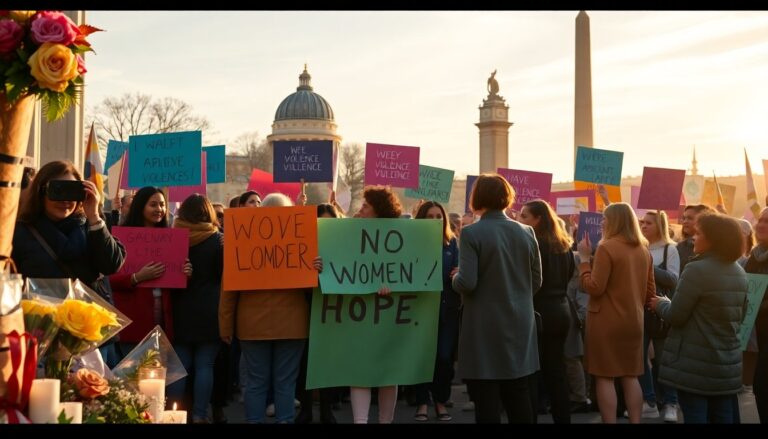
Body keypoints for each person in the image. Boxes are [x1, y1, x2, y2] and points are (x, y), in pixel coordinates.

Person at [13, 160, 127, 366]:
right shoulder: (21, 232)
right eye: (58, 190)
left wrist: (94, 215)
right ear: (40, 192)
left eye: (72, 192)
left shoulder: (91, 227)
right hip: (40, 337)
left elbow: (112, 264)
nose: (65, 200)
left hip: (89, 339)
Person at [451, 174, 542, 424]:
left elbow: (467, 282)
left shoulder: (471, 233)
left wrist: (455, 278)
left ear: (477, 197)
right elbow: (536, 280)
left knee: (487, 398)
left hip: (484, 325)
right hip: (520, 322)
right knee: (519, 394)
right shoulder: (527, 232)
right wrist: (516, 296)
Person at [650, 213, 747, 424]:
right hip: (726, 363)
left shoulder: (696, 269)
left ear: (713, 239)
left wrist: (661, 304)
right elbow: (740, 317)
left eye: (699, 233)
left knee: (696, 416)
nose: (694, 237)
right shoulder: (739, 271)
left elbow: (676, 316)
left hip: (695, 364)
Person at [576, 202, 655, 424]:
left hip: (605, 321)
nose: (602, 222)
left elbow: (594, 287)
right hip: (633, 321)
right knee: (631, 376)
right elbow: (650, 292)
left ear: (615, 221)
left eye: (605, 218)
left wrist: (584, 261)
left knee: (604, 377)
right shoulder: (643, 250)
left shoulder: (607, 247)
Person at [109, 187, 190, 359]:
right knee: (133, 373)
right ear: (140, 207)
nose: (159, 209)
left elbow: (175, 281)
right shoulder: (120, 237)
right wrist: (136, 277)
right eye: (153, 205)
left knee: (156, 373)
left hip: (163, 320)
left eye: (162, 205)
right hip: (133, 319)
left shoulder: (171, 238)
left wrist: (185, 272)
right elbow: (109, 279)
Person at [169, 194, 224, 423]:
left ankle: (173, 415)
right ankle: (200, 414)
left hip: (180, 310)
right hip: (210, 311)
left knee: (179, 366)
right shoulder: (217, 240)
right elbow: (223, 275)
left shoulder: (173, 238)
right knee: (205, 366)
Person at [518, 200, 574, 424]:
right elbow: (568, 276)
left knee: (532, 372)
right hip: (561, 310)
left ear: (538, 219)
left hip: (539, 311)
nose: (519, 219)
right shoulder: (563, 244)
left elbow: (527, 280)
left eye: (524, 216)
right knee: (556, 371)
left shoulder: (534, 244)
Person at [412, 201, 460, 422]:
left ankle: (441, 401)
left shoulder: (452, 243)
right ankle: (422, 402)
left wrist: (460, 272)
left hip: (446, 312)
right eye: (429, 216)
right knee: (422, 357)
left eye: (438, 216)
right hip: (419, 310)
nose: (434, 220)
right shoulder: (411, 243)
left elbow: (458, 274)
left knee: (444, 358)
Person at [294, 203, 341, 424]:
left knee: (328, 360)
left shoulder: (343, 245)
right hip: (307, 308)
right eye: (320, 222)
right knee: (305, 361)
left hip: (332, 309)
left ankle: (326, 409)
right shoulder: (302, 244)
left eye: (330, 222)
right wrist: (310, 271)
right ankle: (306, 408)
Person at [638, 210, 680, 422]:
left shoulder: (669, 249)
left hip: (661, 312)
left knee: (664, 360)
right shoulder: (639, 247)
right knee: (639, 359)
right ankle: (650, 401)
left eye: (649, 223)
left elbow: (673, 279)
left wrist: (647, 266)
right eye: (642, 222)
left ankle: (671, 403)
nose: (644, 226)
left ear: (660, 226)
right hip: (640, 310)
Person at [746, 207, 768, 423]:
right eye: (760, 220)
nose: (761, 224)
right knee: (760, 388)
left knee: (762, 385)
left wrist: (758, 304)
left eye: (767, 221)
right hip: (757, 334)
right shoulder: (754, 256)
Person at [678, 204, 715, 272]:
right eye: (684, 218)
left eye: (690, 218)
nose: (685, 221)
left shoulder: (714, 249)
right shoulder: (679, 247)